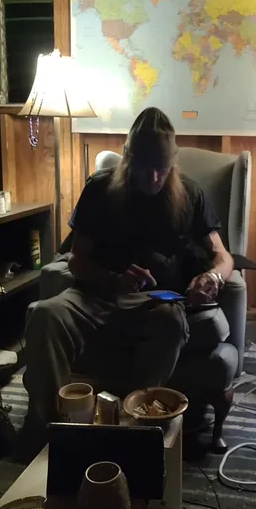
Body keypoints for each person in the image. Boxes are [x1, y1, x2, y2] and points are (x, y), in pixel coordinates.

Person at [23, 107, 233, 432]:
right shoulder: (99, 188)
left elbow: (223, 256)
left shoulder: (191, 194)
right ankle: (47, 429)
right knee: (45, 315)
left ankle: (133, 419)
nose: (154, 177)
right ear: (128, 159)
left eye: (162, 168)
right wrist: (113, 279)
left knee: (172, 323)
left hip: (156, 303)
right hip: (95, 295)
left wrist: (212, 276)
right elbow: (76, 259)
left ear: (172, 164)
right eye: (145, 167)